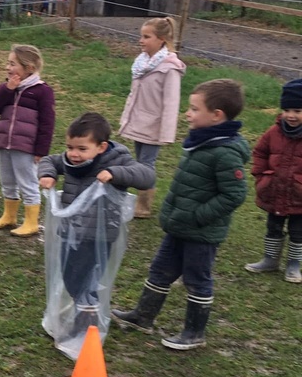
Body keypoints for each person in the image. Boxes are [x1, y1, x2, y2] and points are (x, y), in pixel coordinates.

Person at [112, 79, 250, 350]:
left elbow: (234, 195)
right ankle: (143, 316)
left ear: (216, 115)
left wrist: (198, 216)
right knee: (160, 270)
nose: (187, 113)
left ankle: (194, 332)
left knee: (197, 279)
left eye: (194, 109)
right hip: (179, 226)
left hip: (201, 232)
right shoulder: (201, 142)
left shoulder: (224, 153)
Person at [39, 113, 155, 337]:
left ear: (101, 147)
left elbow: (147, 176)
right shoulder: (70, 160)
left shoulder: (117, 159)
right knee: (71, 276)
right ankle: (83, 316)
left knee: (88, 281)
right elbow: (49, 161)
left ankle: (86, 325)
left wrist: (115, 174)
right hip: (71, 231)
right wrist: (47, 174)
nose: (74, 154)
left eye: (82, 149)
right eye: (70, 147)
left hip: (98, 236)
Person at [118, 16, 186, 218]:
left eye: (147, 37)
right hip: (139, 121)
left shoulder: (170, 68)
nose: (141, 40)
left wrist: (166, 132)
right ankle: (140, 197)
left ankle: (144, 205)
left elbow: (171, 103)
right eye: (141, 36)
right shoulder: (141, 63)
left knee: (147, 164)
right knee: (140, 161)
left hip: (154, 125)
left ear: (162, 39)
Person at [0, 44, 57, 237]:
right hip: (4, 144)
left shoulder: (42, 91)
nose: (8, 68)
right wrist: (7, 89)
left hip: (26, 147)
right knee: (7, 181)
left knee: (27, 183)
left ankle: (31, 222)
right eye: (8, 63)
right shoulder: (8, 88)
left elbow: (47, 123)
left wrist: (41, 151)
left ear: (29, 68)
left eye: (13, 64)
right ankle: (9, 216)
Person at [244, 78, 302, 283]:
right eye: (287, 110)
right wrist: (261, 177)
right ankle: (270, 259)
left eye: (297, 110)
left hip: (299, 196)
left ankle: (294, 264)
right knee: (273, 226)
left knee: (298, 231)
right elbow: (260, 152)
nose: (291, 116)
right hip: (275, 190)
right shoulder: (274, 132)